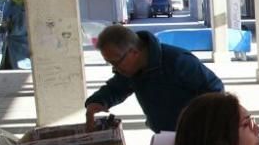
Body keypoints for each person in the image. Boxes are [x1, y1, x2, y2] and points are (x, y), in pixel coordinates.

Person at [85, 25, 223, 132]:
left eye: (116, 62)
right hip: (164, 139)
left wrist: (201, 126)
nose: (114, 69)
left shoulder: (178, 61)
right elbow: (115, 88)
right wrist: (96, 102)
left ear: (134, 52)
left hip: (197, 138)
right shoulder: (130, 70)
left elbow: (215, 91)